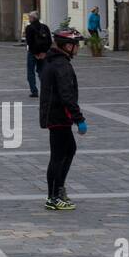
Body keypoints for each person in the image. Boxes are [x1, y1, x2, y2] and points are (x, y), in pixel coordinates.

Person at [40, 28, 87, 211]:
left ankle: (58, 190)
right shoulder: (61, 65)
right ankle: (53, 196)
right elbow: (67, 95)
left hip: (57, 115)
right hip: (58, 116)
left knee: (68, 150)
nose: (78, 48)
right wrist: (79, 118)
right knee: (59, 156)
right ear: (68, 46)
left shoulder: (56, 61)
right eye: (76, 45)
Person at [24, 12, 51, 98]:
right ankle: (46, 90)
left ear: (32, 18)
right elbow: (50, 41)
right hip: (43, 54)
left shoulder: (29, 28)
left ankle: (34, 91)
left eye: (29, 17)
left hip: (32, 53)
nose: (29, 19)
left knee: (30, 72)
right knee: (42, 71)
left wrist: (35, 53)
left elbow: (29, 42)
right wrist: (44, 52)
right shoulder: (45, 27)